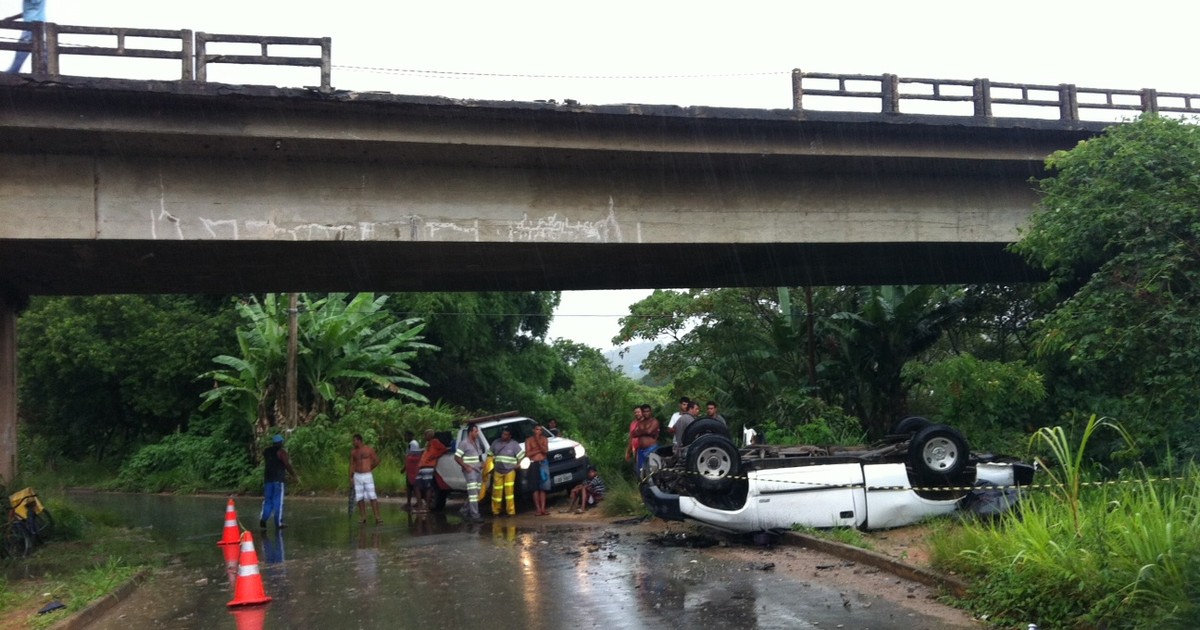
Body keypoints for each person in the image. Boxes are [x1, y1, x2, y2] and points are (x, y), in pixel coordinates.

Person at [260, 434, 298, 529]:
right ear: (281, 442)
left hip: (268, 479)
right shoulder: (281, 452)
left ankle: (263, 519)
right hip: (278, 480)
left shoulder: (266, 451)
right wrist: (294, 475)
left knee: (268, 501)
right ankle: (279, 523)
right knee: (278, 502)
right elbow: (286, 464)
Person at [487, 427, 524, 516]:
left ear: (510, 436)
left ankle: (510, 512)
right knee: (496, 492)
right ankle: (496, 511)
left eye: (506, 434)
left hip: (510, 471)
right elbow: (489, 456)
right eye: (503, 434)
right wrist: (490, 468)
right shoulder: (496, 442)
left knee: (509, 493)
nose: (503, 436)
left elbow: (521, 457)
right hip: (497, 471)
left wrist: (517, 466)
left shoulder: (514, 444)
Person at [454, 424, 487, 523]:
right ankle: (475, 515)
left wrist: (481, 463)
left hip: (477, 470)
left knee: (475, 493)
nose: (477, 433)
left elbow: (479, 455)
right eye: (475, 431)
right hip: (470, 471)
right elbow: (457, 457)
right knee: (473, 494)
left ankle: (464, 510)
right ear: (470, 432)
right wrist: (466, 466)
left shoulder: (476, 442)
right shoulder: (464, 443)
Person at [5, 0, 46, 74]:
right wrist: (12, 18)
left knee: (22, 50)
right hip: (37, 26)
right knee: (41, 51)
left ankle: (13, 72)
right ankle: (45, 73)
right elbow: (28, 11)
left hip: (31, 26)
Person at [350, 433, 383, 525]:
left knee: (372, 496)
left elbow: (376, 460)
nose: (353, 442)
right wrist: (351, 477)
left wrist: (370, 468)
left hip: (367, 475)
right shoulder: (353, 452)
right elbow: (352, 464)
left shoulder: (368, 449)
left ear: (359, 440)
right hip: (357, 475)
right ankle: (363, 517)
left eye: (354, 440)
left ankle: (377, 516)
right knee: (359, 497)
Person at [415, 429, 448, 513]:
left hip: (428, 467)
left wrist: (434, 456)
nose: (424, 436)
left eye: (425, 435)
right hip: (422, 466)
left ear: (430, 435)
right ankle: (420, 506)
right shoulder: (428, 443)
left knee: (428, 487)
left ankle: (426, 507)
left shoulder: (435, 442)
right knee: (417, 486)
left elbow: (444, 449)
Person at [525, 424, 551, 516]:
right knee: (535, 487)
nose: (538, 431)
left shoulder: (544, 439)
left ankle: (543, 508)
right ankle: (538, 509)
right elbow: (528, 454)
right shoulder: (528, 440)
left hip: (543, 463)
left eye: (540, 430)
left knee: (543, 487)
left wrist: (538, 443)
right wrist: (538, 450)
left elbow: (545, 451)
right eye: (537, 429)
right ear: (534, 430)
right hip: (533, 463)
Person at [632, 406, 660, 476]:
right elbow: (634, 434)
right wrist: (646, 432)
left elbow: (649, 431)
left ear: (651, 412)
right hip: (640, 450)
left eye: (648, 411)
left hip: (652, 449)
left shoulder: (654, 421)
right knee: (640, 471)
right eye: (644, 411)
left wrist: (640, 432)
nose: (646, 413)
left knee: (654, 470)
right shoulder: (639, 422)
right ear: (642, 412)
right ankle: (644, 486)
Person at [623, 405, 644, 474]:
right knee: (637, 469)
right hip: (635, 450)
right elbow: (631, 437)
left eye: (638, 412)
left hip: (644, 448)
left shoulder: (646, 422)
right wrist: (628, 451)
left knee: (645, 468)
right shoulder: (633, 423)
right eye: (635, 412)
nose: (637, 414)